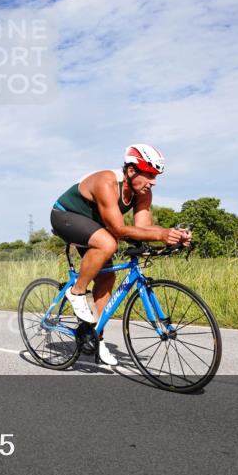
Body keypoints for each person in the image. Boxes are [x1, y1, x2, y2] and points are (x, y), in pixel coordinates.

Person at [50, 144, 191, 365]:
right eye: (150, 174)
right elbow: (117, 229)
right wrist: (162, 234)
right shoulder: (107, 182)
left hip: (93, 226)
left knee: (107, 277)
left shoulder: (143, 193)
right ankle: (77, 292)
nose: (153, 181)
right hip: (65, 216)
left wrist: (173, 235)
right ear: (132, 170)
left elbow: (143, 228)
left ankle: (95, 336)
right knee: (109, 242)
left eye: (156, 176)